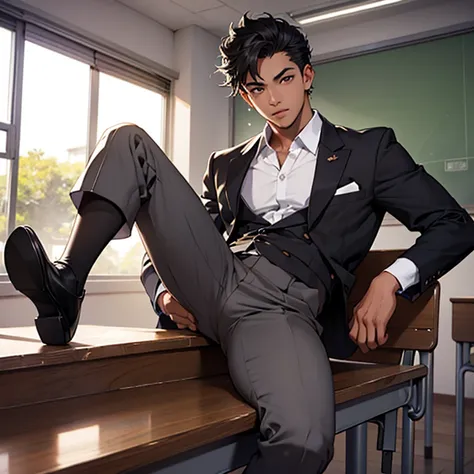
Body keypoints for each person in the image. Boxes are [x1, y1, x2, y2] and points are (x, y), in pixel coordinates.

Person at [4, 12, 474, 474]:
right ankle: (67, 284)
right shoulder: (226, 164)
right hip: (216, 275)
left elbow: (455, 224)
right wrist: (162, 292)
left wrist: (391, 279)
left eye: (284, 79)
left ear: (307, 76)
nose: (273, 98)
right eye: (256, 89)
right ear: (246, 96)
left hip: (281, 307)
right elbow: (167, 244)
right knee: (128, 141)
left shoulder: (370, 151)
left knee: (305, 441)